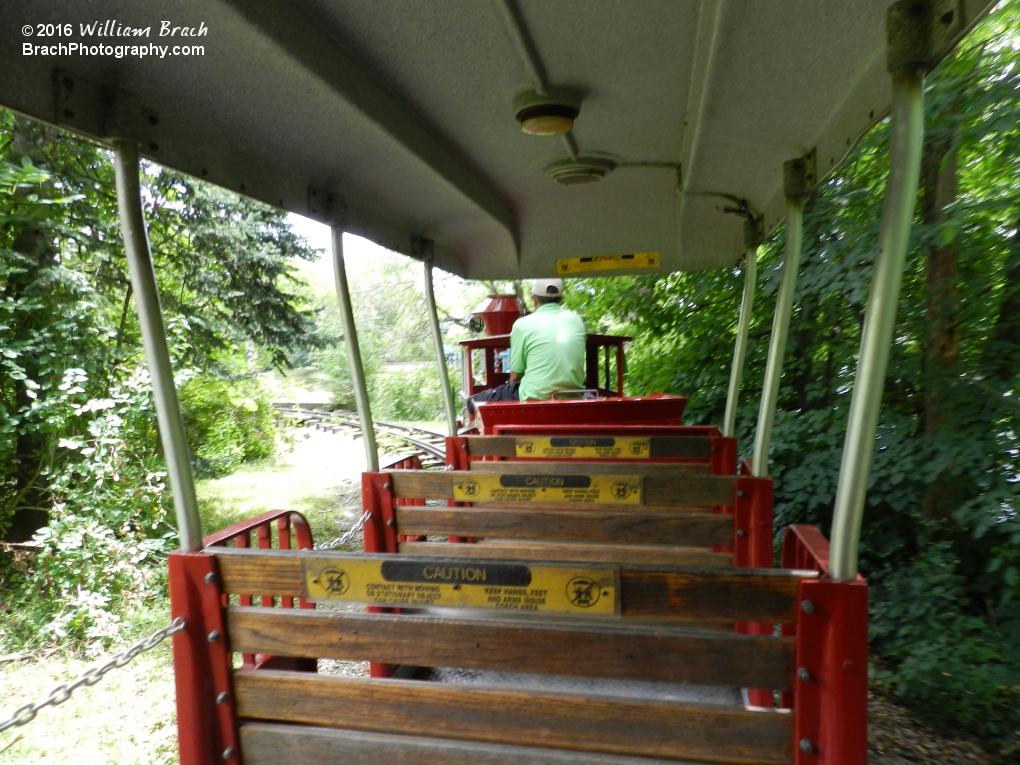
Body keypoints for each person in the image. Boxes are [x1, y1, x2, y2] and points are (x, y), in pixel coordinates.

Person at [467, 278, 586, 416]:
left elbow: (516, 374)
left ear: (534, 297)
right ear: (561, 298)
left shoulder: (522, 325)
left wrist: (509, 386)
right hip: (573, 395)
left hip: (534, 396)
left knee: (473, 401)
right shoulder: (576, 320)